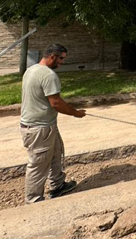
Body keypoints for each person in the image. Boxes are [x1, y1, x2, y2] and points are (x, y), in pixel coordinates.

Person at [20, 43, 86, 204]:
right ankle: (33, 200)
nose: (62, 62)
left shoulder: (32, 70)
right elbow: (55, 103)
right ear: (52, 56)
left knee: (56, 153)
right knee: (38, 164)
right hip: (39, 128)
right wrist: (76, 113)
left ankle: (58, 186)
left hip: (46, 125)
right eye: (61, 58)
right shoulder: (49, 75)